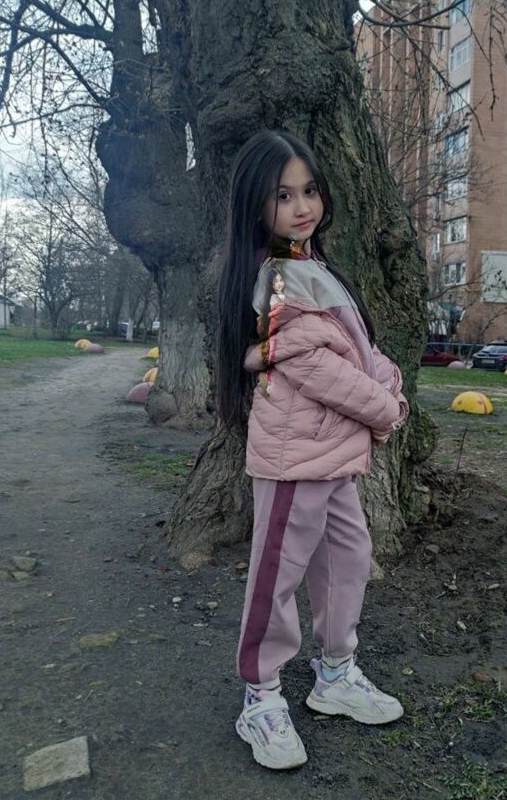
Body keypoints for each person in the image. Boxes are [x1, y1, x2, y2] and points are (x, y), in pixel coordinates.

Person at [216, 130, 409, 771]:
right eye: (283, 196)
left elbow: (358, 350)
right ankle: (260, 696)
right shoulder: (276, 278)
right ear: (255, 205)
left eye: (309, 191)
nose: (302, 207)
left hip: (335, 453)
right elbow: (315, 366)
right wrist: (387, 408)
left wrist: (388, 379)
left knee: (347, 558)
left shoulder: (312, 265)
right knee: (276, 576)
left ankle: (335, 673)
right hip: (294, 456)